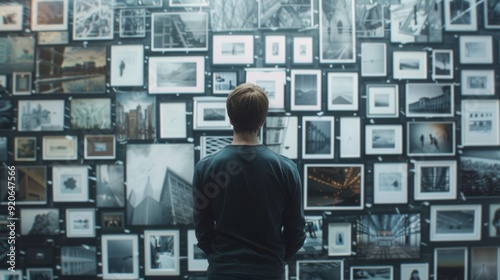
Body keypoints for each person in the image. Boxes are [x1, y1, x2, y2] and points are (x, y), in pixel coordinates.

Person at [193, 83, 306, 280]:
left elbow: (203, 232)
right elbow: (295, 233)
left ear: (230, 117)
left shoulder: (206, 168)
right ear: (263, 120)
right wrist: (274, 261)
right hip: (269, 273)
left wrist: (222, 260)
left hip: (223, 272)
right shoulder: (286, 169)